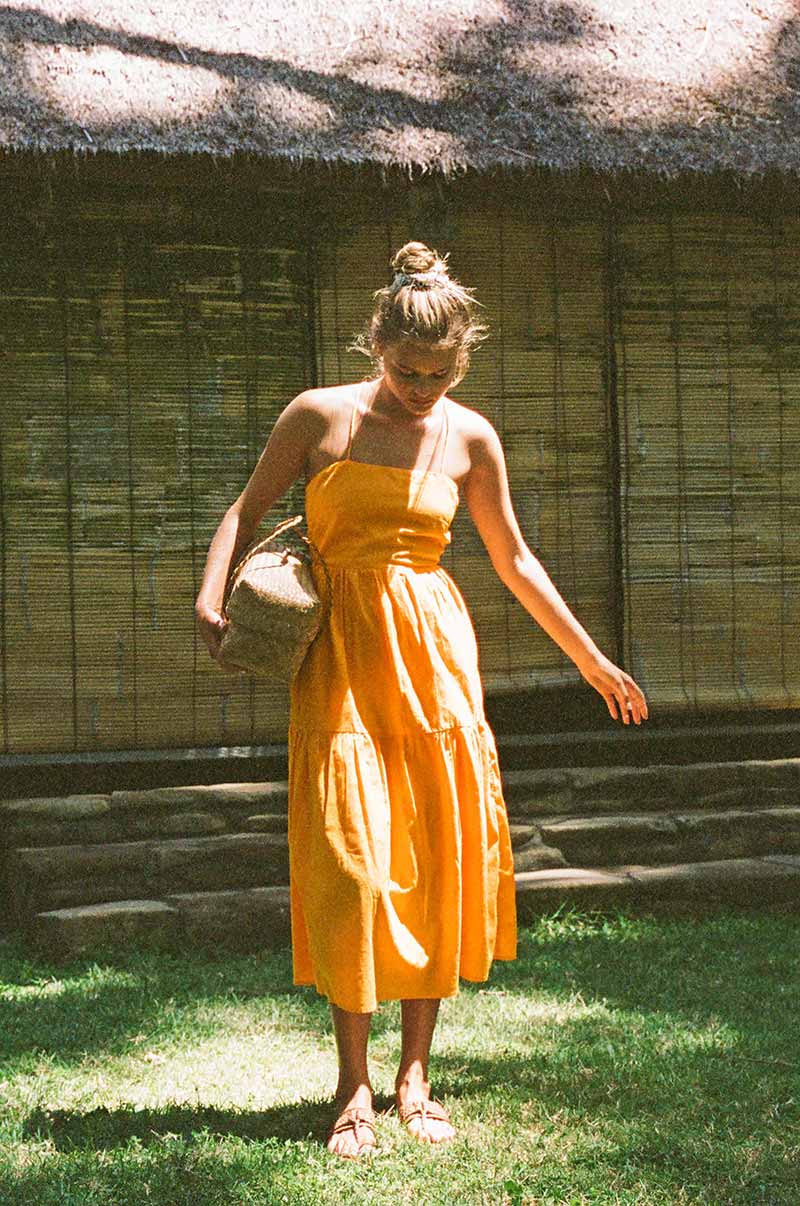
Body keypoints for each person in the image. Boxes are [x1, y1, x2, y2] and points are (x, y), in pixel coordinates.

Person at [195, 241, 648, 1160]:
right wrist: (209, 600)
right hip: (340, 661)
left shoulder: (472, 437)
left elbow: (514, 560)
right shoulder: (319, 416)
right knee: (352, 868)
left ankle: (414, 1078)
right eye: (407, 371)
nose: (421, 389)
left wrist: (592, 660)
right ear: (376, 346)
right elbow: (244, 511)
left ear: (461, 361)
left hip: (435, 663)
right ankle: (351, 1086)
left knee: (436, 861)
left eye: (440, 375)